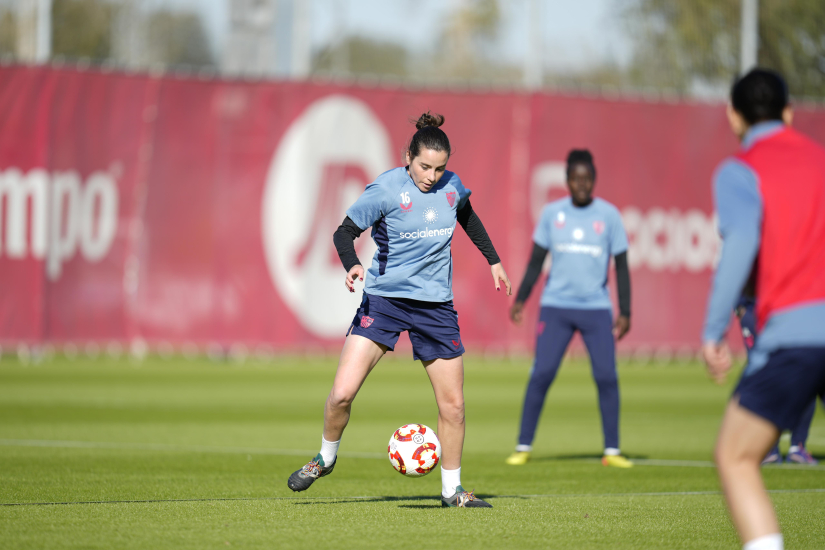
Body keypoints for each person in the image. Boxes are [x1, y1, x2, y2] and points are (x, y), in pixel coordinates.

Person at [286, 112, 512, 508]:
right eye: (424, 166)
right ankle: (325, 458)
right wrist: (352, 264)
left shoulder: (451, 187)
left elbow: (468, 218)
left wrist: (494, 260)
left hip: (436, 308)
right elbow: (343, 232)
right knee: (341, 394)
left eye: (439, 168)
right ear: (408, 155)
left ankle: (452, 491)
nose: (432, 175)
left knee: (454, 406)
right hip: (385, 302)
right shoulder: (386, 189)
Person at [702, 68, 825, 550]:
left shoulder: (739, 170)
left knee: (735, 457)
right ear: (790, 112)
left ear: (733, 116)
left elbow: (741, 247)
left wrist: (713, 331)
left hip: (794, 335)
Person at [505, 149, 633, 468]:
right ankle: (523, 446)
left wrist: (626, 311)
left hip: (596, 308)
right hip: (556, 307)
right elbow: (536, 261)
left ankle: (612, 451)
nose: (581, 184)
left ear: (594, 180)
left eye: (587, 179)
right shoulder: (552, 214)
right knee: (542, 373)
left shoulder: (609, 216)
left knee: (606, 376)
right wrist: (521, 298)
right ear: (567, 181)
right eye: (575, 179)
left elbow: (622, 267)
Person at [735, 296, 818, 466]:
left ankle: (795, 446)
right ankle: (773, 448)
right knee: (764, 374)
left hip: (788, 310)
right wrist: (740, 308)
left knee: (804, 375)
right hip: (758, 310)